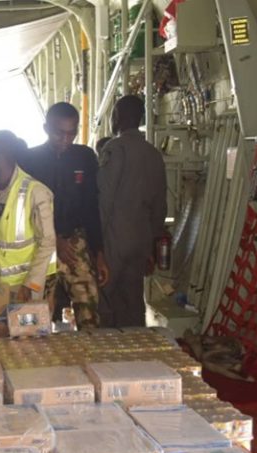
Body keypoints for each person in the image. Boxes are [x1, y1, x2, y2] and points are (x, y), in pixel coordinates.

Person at [20, 102, 109, 329]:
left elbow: (91, 207)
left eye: (72, 133)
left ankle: (90, 359)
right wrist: (54, 239)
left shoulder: (85, 158)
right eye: (59, 133)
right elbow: (24, 211)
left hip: (75, 244)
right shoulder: (29, 161)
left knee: (89, 310)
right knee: (34, 319)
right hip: (40, 246)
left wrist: (99, 253)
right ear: (46, 128)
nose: (65, 139)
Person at [98, 95, 167, 327]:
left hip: (115, 236)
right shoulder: (153, 154)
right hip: (142, 237)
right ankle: (134, 353)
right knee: (133, 299)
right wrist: (152, 242)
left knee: (105, 296)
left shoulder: (114, 149)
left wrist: (96, 244)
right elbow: (160, 205)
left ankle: (104, 352)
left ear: (116, 117)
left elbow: (104, 198)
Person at [0, 130, 56, 302]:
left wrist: (31, 284)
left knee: (26, 328)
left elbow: (48, 242)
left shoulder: (36, 191)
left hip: (27, 284)